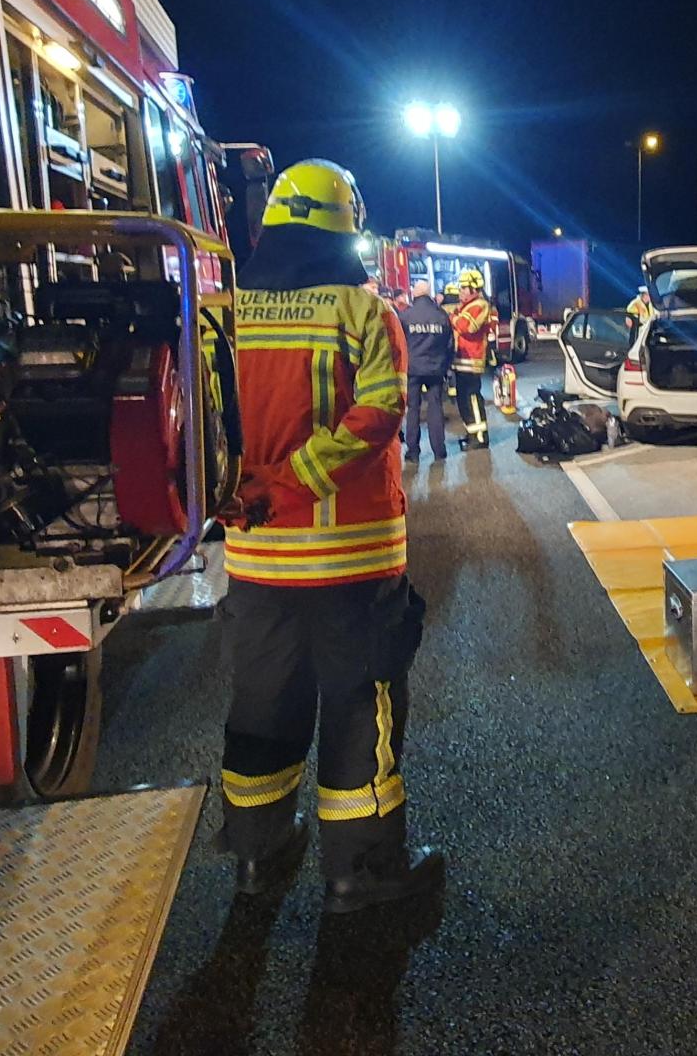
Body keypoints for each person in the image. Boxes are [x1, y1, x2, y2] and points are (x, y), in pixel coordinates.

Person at [219, 158, 443, 912]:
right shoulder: (362, 311)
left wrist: (241, 491)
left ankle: (256, 852)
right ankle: (361, 872)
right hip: (352, 560)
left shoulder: (227, 312)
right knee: (359, 704)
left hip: (255, 556)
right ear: (347, 224)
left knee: (263, 704)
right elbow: (378, 414)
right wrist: (298, 480)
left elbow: (199, 423)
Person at [398, 279, 452, 462]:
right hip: (435, 369)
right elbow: (450, 344)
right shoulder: (441, 315)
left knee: (413, 409)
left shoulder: (406, 316)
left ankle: (413, 451)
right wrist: (445, 365)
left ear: (414, 294)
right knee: (435, 407)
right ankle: (439, 450)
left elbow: (398, 344)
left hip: (412, 369)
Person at [449, 269, 499, 449]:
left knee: (472, 400)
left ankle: (480, 437)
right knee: (463, 401)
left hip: (472, 360)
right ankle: (471, 433)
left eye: (464, 288)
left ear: (474, 288)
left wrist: (453, 317)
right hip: (461, 361)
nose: (460, 291)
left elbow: (467, 326)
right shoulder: (464, 307)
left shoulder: (480, 305)